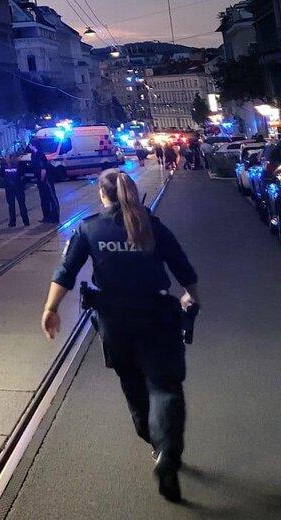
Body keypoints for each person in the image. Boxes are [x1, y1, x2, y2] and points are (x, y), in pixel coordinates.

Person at [41, 168, 198, 502]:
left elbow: (66, 272)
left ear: (102, 194)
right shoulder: (151, 225)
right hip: (156, 319)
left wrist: (50, 309)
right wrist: (190, 296)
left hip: (115, 324)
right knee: (166, 387)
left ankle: (158, 446)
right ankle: (168, 451)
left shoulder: (89, 228)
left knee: (134, 390)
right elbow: (182, 266)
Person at [30, 137, 59, 223]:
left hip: (46, 179)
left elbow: (43, 169)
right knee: (44, 198)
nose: (29, 146)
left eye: (30, 144)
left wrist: (42, 179)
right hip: (39, 179)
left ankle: (55, 217)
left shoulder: (40, 155)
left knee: (51, 197)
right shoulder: (33, 155)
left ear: (34, 145)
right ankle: (46, 217)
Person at [2, 148, 31, 227]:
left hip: (18, 188)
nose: (5, 158)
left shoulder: (18, 166)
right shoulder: (3, 166)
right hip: (9, 189)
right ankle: (12, 222)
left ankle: (26, 221)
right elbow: (1, 176)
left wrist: (20, 184)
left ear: (11, 158)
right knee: (11, 206)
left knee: (21, 205)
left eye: (6, 157)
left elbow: (23, 176)